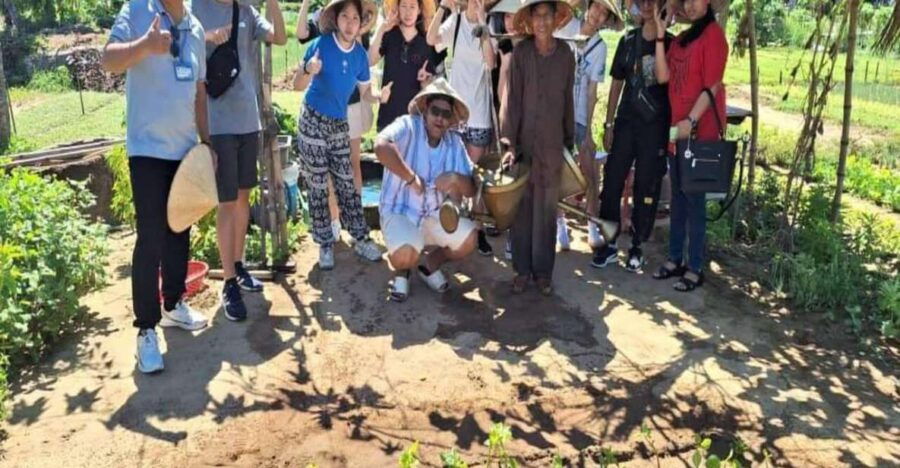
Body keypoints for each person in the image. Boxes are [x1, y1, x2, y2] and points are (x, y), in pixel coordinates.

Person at [102, 0, 211, 373]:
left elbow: (199, 92)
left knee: (180, 230)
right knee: (151, 238)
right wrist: (144, 47)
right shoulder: (137, 10)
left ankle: (173, 305)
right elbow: (108, 60)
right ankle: (146, 329)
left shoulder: (195, 28)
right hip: (147, 148)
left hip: (184, 149)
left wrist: (206, 144)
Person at [191, 0, 286, 323]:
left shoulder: (245, 10)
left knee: (244, 195)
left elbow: (280, 37)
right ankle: (229, 281)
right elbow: (179, 47)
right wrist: (206, 36)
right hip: (218, 124)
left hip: (249, 121)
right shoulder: (195, 8)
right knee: (226, 202)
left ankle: (239, 265)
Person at [294, 0, 389, 270]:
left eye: (355, 18)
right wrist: (307, 70)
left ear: (361, 23)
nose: (349, 22)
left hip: (338, 121)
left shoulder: (359, 54)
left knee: (346, 181)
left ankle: (360, 237)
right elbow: (296, 84)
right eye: (344, 16)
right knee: (318, 182)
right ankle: (325, 243)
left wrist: (379, 96)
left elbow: (365, 92)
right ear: (336, 20)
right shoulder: (322, 45)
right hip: (312, 118)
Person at [374, 78, 477, 301]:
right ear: (425, 110)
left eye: (446, 114)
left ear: (451, 120)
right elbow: (380, 146)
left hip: (433, 215)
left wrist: (455, 178)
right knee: (404, 254)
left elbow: (470, 189)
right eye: (435, 111)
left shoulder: (454, 143)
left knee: (469, 238)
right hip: (400, 211)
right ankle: (403, 270)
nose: (440, 118)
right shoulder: (408, 125)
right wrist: (411, 178)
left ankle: (429, 265)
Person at [651, 0, 728, 292]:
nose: (690, 5)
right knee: (679, 202)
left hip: (699, 134)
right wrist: (661, 34)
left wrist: (692, 121)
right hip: (677, 133)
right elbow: (663, 76)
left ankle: (695, 267)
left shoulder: (714, 36)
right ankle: (675, 259)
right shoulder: (682, 39)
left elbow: (714, 85)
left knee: (695, 203)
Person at [500, 0, 575, 296]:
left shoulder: (566, 55)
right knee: (522, 208)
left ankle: (543, 272)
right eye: (537, 16)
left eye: (547, 15)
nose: (542, 22)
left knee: (546, 208)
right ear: (530, 20)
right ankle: (521, 270)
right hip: (523, 144)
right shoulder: (522, 53)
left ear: (556, 19)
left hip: (553, 143)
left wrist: (569, 140)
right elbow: (511, 101)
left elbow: (568, 98)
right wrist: (508, 143)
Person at [593, 0, 672, 271]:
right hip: (626, 123)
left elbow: (666, 81)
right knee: (613, 181)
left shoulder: (670, 44)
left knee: (645, 187)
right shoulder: (627, 41)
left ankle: (637, 246)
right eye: (642, 1)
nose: (647, 6)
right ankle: (610, 244)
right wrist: (608, 124)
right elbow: (616, 84)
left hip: (654, 128)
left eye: (653, 1)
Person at [427, 0, 496, 257]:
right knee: (454, 172)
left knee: (475, 178)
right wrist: (444, 8)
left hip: (478, 114)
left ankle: (477, 232)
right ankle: (451, 227)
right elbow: (432, 39)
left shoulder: (488, 24)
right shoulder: (454, 22)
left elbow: (491, 62)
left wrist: (482, 23)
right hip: (454, 115)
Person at [554, 0, 622, 252]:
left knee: (589, 172)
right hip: (555, 113)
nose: (598, 15)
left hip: (579, 116)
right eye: (597, 7)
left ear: (607, 20)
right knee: (557, 175)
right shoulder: (565, 26)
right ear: (588, 6)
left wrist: (590, 129)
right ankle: (560, 225)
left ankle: (592, 225)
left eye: (605, 13)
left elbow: (593, 90)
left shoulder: (600, 48)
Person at [369, 0, 445, 132]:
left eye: (412, 7)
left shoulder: (426, 42)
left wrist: (425, 82)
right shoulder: (389, 35)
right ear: (397, 8)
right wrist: (381, 29)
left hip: (414, 120)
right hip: (388, 115)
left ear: (419, 10)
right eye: (403, 6)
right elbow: (370, 60)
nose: (408, 12)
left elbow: (428, 87)